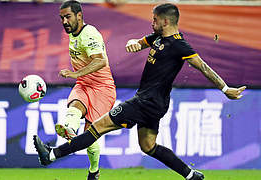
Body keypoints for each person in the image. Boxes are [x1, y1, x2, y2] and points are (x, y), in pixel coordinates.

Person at [34, 3, 246, 180]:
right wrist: (133, 43)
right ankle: (190, 175)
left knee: (97, 127)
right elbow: (140, 42)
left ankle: (52, 154)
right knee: (148, 146)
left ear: (165, 21)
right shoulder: (157, 38)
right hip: (155, 104)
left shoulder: (180, 46)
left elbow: (203, 67)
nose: (151, 23)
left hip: (145, 102)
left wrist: (225, 88)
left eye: (154, 20)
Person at [50, 1, 116, 180]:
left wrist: (74, 73)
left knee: (90, 136)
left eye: (68, 17)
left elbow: (100, 61)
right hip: (84, 84)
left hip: (102, 89)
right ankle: (70, 128)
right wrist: (78, 76)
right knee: (74, 106)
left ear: (79, 15)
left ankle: (94, 171)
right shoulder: (74, 33)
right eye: (62, 18)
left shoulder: (89, 34)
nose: (64, 21)